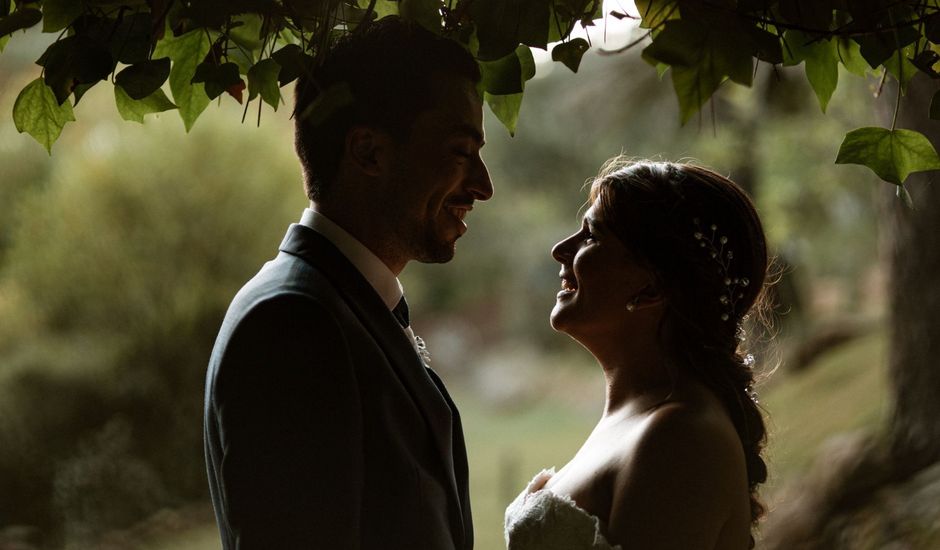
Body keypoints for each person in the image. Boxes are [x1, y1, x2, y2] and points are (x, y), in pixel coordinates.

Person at [203, 17, 492, 549]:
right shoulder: (291, 322)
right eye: (460, 151)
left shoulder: (344, 305)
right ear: (369, 153)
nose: (483, 186)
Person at [505, 159, 770, 550]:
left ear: (652, 288)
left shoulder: (682, 437)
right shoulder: (640, 416)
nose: (560, 250)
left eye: (591, 236)